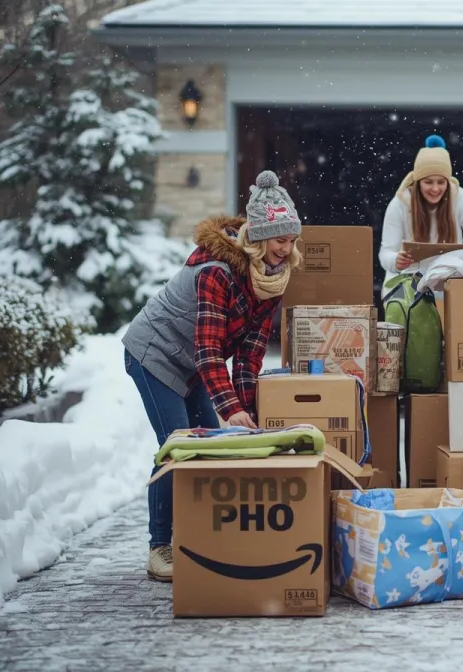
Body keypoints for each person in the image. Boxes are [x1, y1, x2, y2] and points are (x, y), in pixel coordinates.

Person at [121, 170, 302, 582]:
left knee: (209, 447)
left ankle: (198, 535)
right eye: (279, 240)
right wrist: (230, 408)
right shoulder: (217, 272)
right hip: (155, 354)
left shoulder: (271, 278)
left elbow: (250, 354)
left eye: (291, 240)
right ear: (257, 239)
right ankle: (159, 547)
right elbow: (208, 351)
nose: (286, 249)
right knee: (179, 447)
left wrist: (250, 408)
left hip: (191, 363)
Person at [378, 134, 463, 287]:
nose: (435, 189)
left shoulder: (459, 196)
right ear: (418, 182)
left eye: (441, 182)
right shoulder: (399, 203)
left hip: (447, 278)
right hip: (407, 282)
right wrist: (396, 260)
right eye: (428, 182)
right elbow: (385, 253)